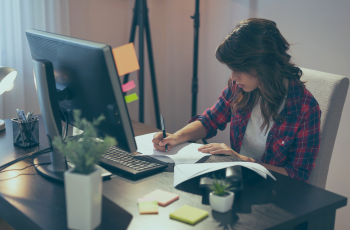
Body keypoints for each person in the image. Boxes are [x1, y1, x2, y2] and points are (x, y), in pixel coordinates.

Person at [152, 18, 321, 183]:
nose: (233, 77)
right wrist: (176, 137)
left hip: (273, 192)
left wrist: (242, 161)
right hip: (237, 179)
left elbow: (298, 175)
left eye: (239, 69)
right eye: (231, 68)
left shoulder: (305, 108)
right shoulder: (241, 88)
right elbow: (210, 120)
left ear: (264, 64)